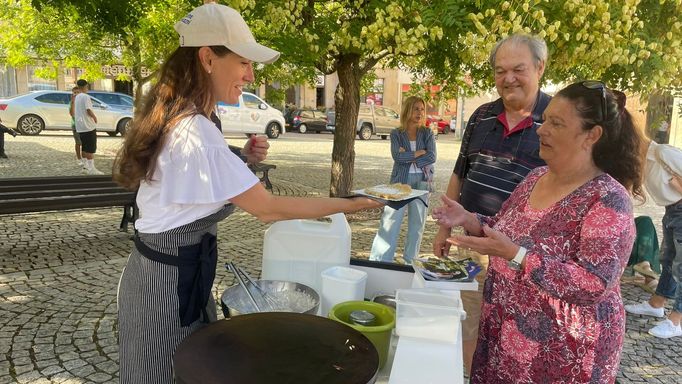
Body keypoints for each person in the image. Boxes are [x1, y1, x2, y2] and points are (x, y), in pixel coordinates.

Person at [112, 4, 381, 383]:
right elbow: (268, 209)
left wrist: (241, 161)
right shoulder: (196, 130)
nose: (251, 75)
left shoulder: (188, 117)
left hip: (172, 276)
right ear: (208, 58)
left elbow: (192, 178)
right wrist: (352, 204)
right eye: (243, 62)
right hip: (163, 289)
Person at [433, 81, 643, 383]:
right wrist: (469, 219)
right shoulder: (536, 177)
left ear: (591, 135)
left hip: (562, 354)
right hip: (506, 337)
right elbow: (505, 229)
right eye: (544, 120)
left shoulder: (608, 198)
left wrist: (516, 255)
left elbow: (594, 283)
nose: (541, 130)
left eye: (556, 123)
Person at [431, 33, 551, 374]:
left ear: (540, 67)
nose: (507, 78)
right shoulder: (481, 115)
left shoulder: (556, 121)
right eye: (500, 71)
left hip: (520, 256)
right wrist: (444, 228)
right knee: (468, 324)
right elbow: (459, 174)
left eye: (518, 69)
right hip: (470, 245)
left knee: (513, 339)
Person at [625, 136, 682, 338]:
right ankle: (657, 304)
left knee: (681, 266)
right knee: (668, 261)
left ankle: (677, 320)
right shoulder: (643, 161)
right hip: (672, 211)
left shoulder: (663, 153)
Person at [368, 96, 436, 264]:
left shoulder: (427, 133)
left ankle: (410, 261)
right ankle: (381, 261)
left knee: (417, 224)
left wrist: (409, 155)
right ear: (407, 111)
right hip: (400, 181)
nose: (419, 113)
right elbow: (397, 157)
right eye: (415, 109)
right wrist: (419, 152)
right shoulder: (396, 133)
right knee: (390, 221)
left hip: (422, 182)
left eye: (422, 109)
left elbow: (432, 156)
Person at [73, 79, 103, 175]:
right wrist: (94, 117)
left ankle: (85, 167)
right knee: (90, 148)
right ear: (86, 86)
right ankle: (92, 168)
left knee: (84, 147)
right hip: (88, 126)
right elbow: (88, 109)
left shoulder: (77, 97)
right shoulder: (86, 97)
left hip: (80, 126)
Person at [68, 86, 84, 169]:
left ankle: (84, 158)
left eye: (78, 92)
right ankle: (78, 158)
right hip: (76, 125)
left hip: (84, 125)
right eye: (74, 93)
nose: (76, 94)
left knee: (85, 143)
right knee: (78, 142)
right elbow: (72, 114)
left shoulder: (83, 101)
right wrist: (73, 102)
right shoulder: (72, 103)